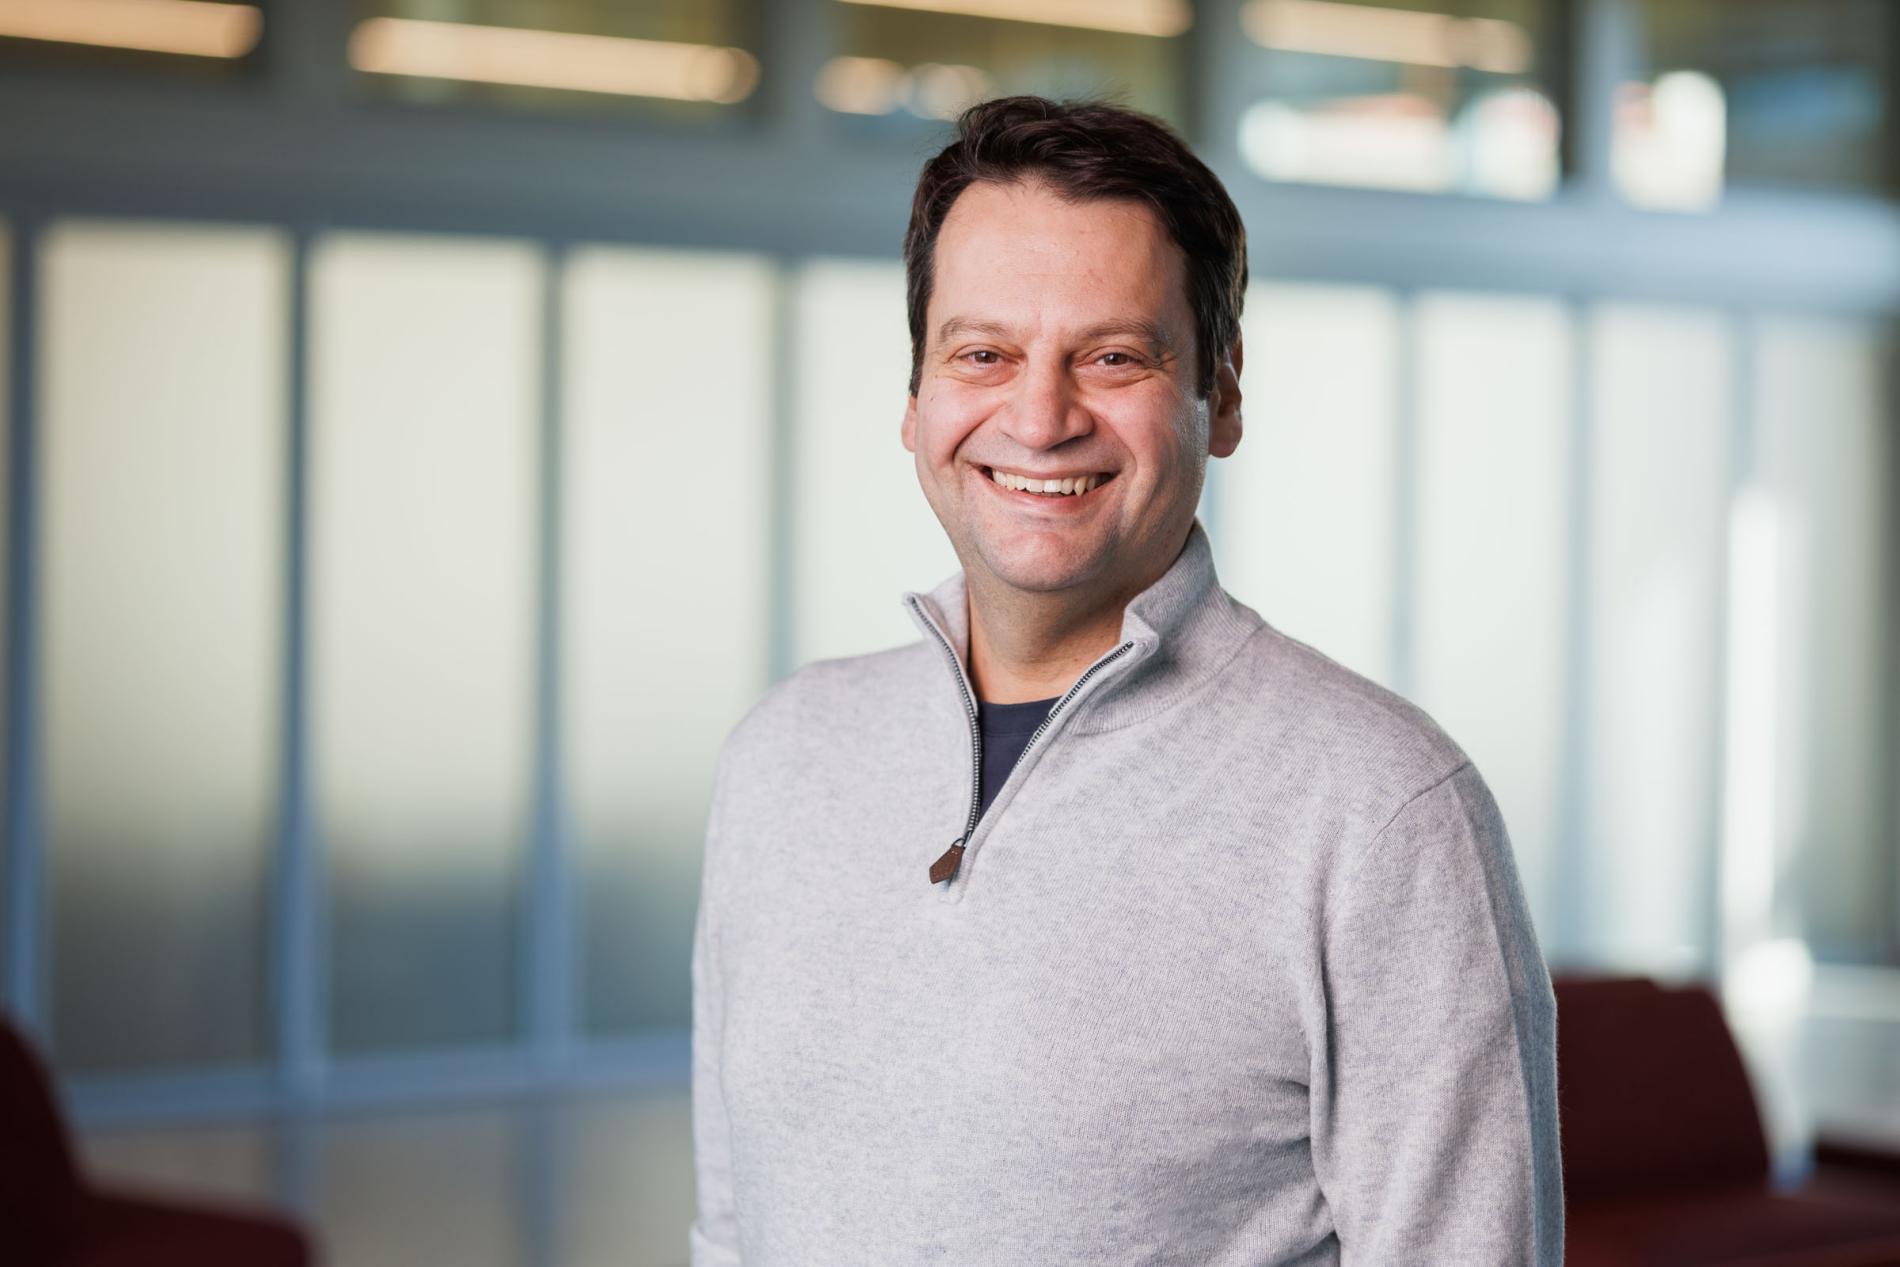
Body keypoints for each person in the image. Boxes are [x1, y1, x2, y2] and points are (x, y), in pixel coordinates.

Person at [689, 95, 1563, 1266]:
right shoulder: (781, 757)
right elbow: (733, 1230)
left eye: (1112, 356)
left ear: (1224, 393)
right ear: (915, 399)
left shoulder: (1382, 812)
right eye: (982, 353)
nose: (1039, 417)